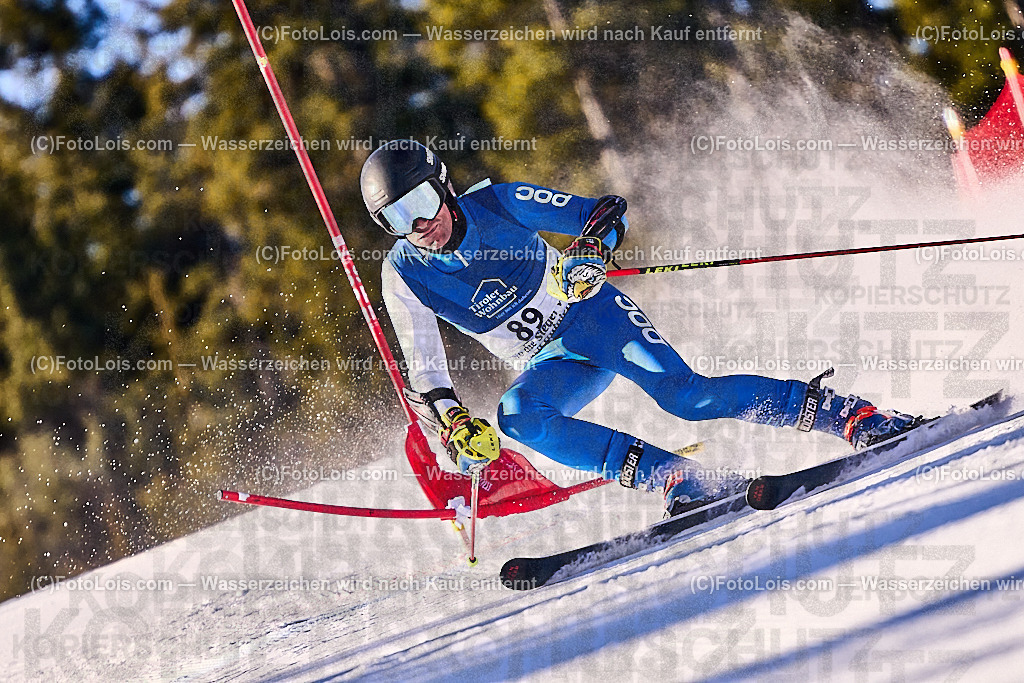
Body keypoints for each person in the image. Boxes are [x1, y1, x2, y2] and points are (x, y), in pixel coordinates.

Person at [359, 140, 920, 516]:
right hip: (550, 363)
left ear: (445, 187)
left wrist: (590, 252)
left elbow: (605, 211)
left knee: (687, 398)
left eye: (424, 202)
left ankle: (852, 416)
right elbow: (426, 374)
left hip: (592, 316)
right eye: (397, 219)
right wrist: (454, 425)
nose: (421, 224)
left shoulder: (500, 205)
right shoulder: (403, 274)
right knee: (517, 418)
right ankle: (676, 478)